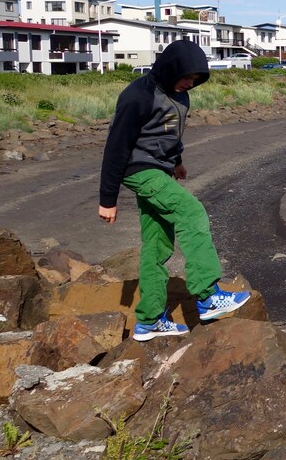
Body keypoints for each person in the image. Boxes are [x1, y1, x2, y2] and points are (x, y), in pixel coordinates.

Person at [98, 39, 250, 341]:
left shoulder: (180, 96)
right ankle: (207, 296)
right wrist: (107, 199)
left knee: (157, 245)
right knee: (191, 212)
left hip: (160, 169)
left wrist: (177, 161)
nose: (189, 84)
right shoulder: (137, 96)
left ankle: (150, 319)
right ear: (170, 69)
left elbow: (169, 133)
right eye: (185, 77)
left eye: (195, 80)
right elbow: (115, 148)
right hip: (138, 169)